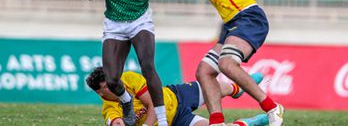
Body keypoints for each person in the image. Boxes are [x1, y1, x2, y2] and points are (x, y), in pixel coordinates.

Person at [113, 0, 284, 125]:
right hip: (236, 21)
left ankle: (272, 107)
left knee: (226, 64)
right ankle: (217, 121)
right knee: (204, 71)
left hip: (247, 18)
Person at [70, 0, 173, 126]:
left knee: (148, 66)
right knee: (112, 80)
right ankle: (126, 101)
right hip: (114, 24)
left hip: (140, 21)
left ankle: (161, 120)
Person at [86, 66, 269, 126]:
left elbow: (151, 104)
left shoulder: (128, 78)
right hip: (177, 120)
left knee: (212, 87)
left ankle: (237, 88)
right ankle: (250, 123)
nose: (114, 85)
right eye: (108, 86)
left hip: (175, 95)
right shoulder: (109, 109)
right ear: (99, 92)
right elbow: (115, 121)